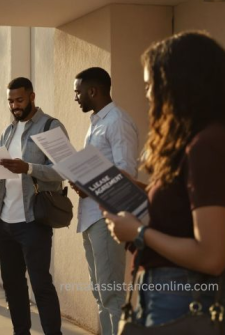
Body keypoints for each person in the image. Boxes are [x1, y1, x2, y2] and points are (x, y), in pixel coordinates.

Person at [104, 31, 225, 334]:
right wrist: (136, 188)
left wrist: (138, 232)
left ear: (178, 84)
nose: (147, 95)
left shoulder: (207, 145)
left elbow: (211, 256)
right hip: (177, 295)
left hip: (187, 299)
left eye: (149, 85)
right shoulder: (207, 138)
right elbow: (187, 206)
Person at [0, 77, 66, 335]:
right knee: (12, 285)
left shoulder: (50, 126)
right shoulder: (9, 131)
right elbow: (1, 176)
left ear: (32, 96)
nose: (14, 105)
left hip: (33, 221)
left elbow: (63, 170)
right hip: (6, 222)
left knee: (41, 284)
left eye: (19, 100)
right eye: (10, 101)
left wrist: (28, 167)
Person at [72, 67, 138, 335]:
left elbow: (127, 173)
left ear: (93, 91)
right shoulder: (97, 123)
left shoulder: (117, 121)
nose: (76, 97)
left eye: (78, 92)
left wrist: (90, 185)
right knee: (100, 293)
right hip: (89, 218)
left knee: (111, 295)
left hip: (107, 218)